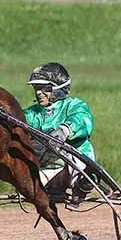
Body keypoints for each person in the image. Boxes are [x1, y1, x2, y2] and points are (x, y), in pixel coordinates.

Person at [24, 62, 95, 207]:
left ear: (58, 88)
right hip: (45, 164)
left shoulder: (74, 105)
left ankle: (82, 184)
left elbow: (83, 119)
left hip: (73, 159)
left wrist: (65, 130)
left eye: (44, 88)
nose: (38, 92)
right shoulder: (32, 113)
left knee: (72, 154)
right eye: (36, 88)